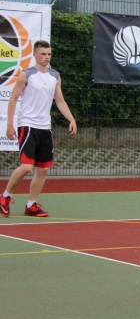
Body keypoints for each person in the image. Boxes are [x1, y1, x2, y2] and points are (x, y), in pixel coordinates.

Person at [0, 40, 77, 218]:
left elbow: (60, 101)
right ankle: (5, 196)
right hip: (27, 125)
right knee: (27, 167)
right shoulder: (27, 75)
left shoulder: (55, 76)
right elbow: (13, 99)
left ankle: (31, 205)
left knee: (43, 169)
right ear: (35, 55)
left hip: (45, 127)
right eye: (43, 54)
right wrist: (10, 124)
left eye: (49, 54)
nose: (46, 57)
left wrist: (71, 119)